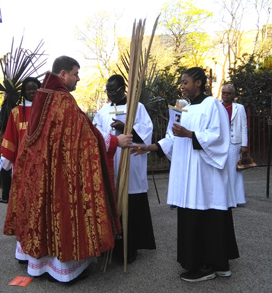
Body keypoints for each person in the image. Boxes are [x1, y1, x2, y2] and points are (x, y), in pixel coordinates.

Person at [3, 56, 132, 283]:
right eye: (75, 73)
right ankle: (62, 270)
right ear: (63, 74)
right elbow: (86, 136)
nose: (78, 79)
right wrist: (114, 142)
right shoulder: (62, 100)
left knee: (40, 213)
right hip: (58, 173)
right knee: (60, 212)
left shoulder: (43, 97)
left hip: (39, 172)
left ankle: (37, 263)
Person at [132, 67, 239, 282]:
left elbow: (219, 137)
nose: (182, 86)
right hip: (188, 174)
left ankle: (208, 265)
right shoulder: (184, 109)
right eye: (181, 82)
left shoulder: (213, 105)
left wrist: (190, 134)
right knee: (198, 215)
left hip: (205, 174)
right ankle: (215, 263)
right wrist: (149, 147)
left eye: (185, 82)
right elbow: (173, 137)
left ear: (198, 83)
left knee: (209, 214)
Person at [93, 74, 156, 264]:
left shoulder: (137, 108)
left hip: (131, 162)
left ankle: (130, 247)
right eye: (108, 90)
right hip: (111, 163)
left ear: (123, 88)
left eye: (114, 90)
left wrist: (126, 128)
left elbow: (146, 131)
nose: (111, 93)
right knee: (112, 206)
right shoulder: (103, 111)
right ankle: (111, 246)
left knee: (132, 206)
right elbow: (95, 133)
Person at [0, 77, 40, 262]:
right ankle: (23, 252)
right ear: (23, 91)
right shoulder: (17, 113)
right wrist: (6, 163)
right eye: (29, 89)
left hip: (42, 168)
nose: (32, 92)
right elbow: (11, 138)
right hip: (23, 169)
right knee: (25, 209)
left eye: (35, 89)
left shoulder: (46, 111)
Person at [221, 83, 248, 205]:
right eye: (224, 93)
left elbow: (244, 127)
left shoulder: (239, 108)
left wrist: (244, 144)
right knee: (221, 169)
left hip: (234, 142)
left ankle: (235, 199)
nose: (225, 95)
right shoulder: (217, 106)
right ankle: (223, 197)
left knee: (233, 171)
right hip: (220, 142)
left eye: (228, 93)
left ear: (233, 95)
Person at [0, 90, 20, 203]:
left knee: (4, 168)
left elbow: (3, 124)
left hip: (6, 139)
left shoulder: (7, 108)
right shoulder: (18, 108)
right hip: (16, 140)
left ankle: (5, 195)